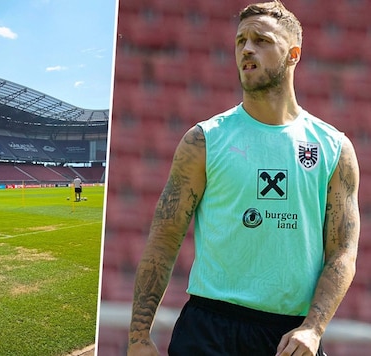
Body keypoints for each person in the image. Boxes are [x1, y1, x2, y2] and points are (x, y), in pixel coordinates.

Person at [127, 1, 360, 355]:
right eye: (240, 41)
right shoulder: (203, 140)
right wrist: (138, 338)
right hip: (208, 329)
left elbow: (342, 253)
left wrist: (313, 328)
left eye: (262, 41)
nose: (247, 49)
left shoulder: (333, 149)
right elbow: (164, 238)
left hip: (288, 337)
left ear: (293, 54)